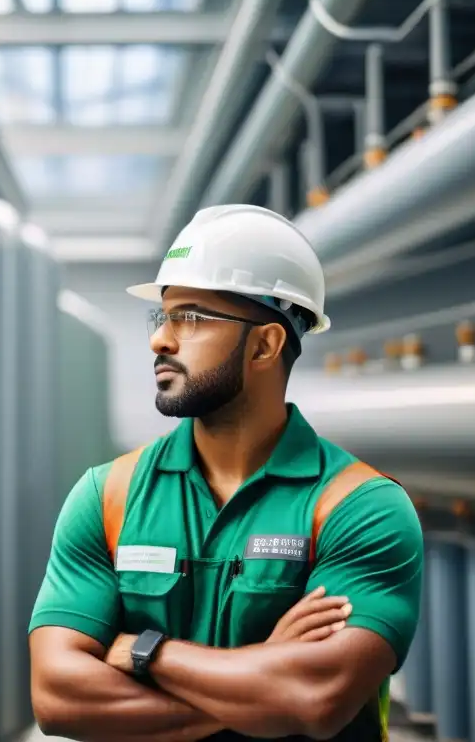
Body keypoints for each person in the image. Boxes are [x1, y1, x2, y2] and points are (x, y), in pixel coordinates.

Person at [27, 205, 424, 741]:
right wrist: (265, 673)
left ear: (265, 344)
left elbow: (316, 699)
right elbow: (57, 697)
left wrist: (144, 652)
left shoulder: (361, 508)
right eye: (161, 316)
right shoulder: (107, 496)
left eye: (190, 317)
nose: (160, 340)